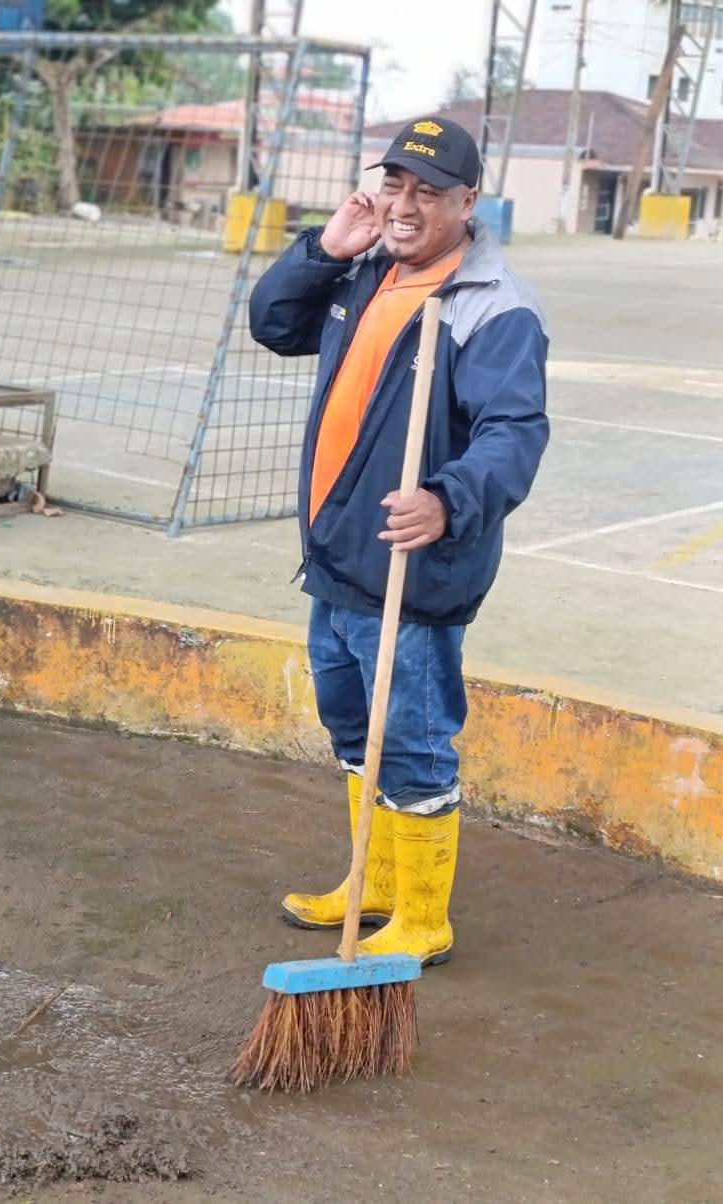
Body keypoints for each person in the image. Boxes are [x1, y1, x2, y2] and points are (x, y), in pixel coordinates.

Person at [248, 116, 550, 966]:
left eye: (428, 191)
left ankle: (423, 916)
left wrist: (448, 501)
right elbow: (274, 323)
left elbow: (514, 432)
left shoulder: (493, 306)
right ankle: (372, 885)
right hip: (339, 555)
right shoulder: (367, 271)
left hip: (414, 568)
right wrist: (326, 248)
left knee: (411, 744)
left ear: (468, 200)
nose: (406, 205)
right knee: (355, 732)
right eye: (394, 185)